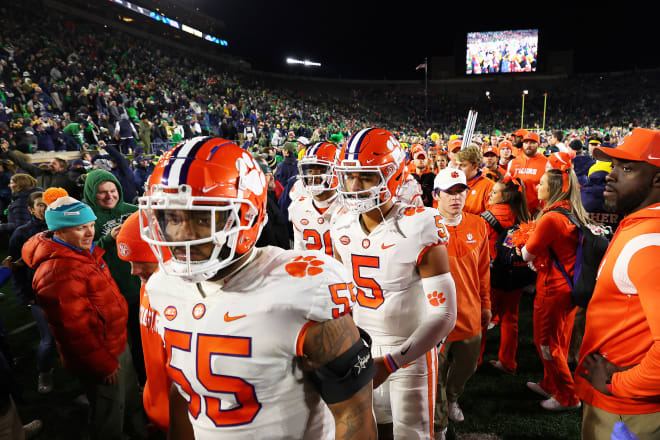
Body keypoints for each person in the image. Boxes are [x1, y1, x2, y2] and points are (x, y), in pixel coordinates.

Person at [140, 138, 377, 439]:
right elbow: (184, 392)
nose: (183, 234)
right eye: (172, 217)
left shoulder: (303, 288)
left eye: (203, 217)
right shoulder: (162, 287)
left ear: (247, 216)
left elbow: (353, 414)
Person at [333, 128, 457, 440]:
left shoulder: (419, 225)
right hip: (361, 347)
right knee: (371, 429)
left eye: (366, 177)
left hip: (409, 351)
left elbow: (444, 315)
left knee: (413, 434)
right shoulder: (341, 224)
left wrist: (391, 362)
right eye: (350, 177)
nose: (355, 186)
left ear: (393, 176)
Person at [21, 188, 145, 440]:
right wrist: (102, 364)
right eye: (80, 227)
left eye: (90, 225)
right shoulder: (58, 271)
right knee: (109, 411)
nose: (90, 232)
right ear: (59, 231)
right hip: (102, 355)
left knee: (128, 399)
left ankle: (138, 430)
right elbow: (74, 330)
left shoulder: (81, 252)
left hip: (114, 342)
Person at [575, 128, 660, 440]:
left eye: (626, 168)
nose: (610, 176)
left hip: (629, 407)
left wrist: (617, 385)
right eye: (613, 166)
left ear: (657, 180)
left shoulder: (650, 242)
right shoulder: (641, 226)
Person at [519, 165, 592, 411]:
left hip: (553, 290)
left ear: (555, 189)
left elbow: (526, 253)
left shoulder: (550, 217)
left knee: (547, 345)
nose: (537, 187)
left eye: (541, 183)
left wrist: (524, 241)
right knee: (557, 342)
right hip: (567, 289)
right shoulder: (569, 210)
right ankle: (550, 384)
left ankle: (569, 397)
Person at [431, 168, 491, 438]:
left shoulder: (478, 224)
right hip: (434, 315)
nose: (456, 197)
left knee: (468, 365)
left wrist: (486, 303)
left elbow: (483, 269)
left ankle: (453, 397)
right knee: (436, 374)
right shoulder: (424, 224)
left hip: (469, 311)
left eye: (461, 191)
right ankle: (439, 425)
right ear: (435, 195)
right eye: (449, 192)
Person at [83, 169, 144, 384]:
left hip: (140, 286)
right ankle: (123, 383)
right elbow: (83, 254)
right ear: (91, 193)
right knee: (117, 342)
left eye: (113, 190)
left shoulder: (134, 210)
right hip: (108, 293)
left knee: (142, 339)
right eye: (102, 192)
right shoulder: (86, 218)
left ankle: (145, 380)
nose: (110, 196)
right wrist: (108, 239)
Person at [116, 211, 172, 435]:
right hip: (158, 401)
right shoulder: (148, 285)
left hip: (183, 416)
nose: (133, 271)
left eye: (141, 261)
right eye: (130, 262)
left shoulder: (190, 299)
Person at [3, 191, 57, 394]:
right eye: (40, 205)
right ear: (30, 209)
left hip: (64, 291)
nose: (44, 208)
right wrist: (24, 295)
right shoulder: (21, 233)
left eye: (47, 204)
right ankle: (44, 372)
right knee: (48, 339)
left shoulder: (60, 226)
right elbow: (15, 268)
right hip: (38, 295)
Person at [482, 177, 530, 374]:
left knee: (483, 319)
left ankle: (474, 360)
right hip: (517, 273)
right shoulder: (524, 215)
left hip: (493, 275)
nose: (491, 195)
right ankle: (508, 362)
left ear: (506, 195)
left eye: (494, 192)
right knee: (511, 318)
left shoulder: (486, 217)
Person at [289, 142, 344, 255]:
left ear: (337, 171)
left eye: (321, 170)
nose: (312, 176)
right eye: (309, 170)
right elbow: (299, 252)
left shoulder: (349, 208)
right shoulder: (297, 207)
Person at [507, 132, 548, 216]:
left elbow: (550, 189)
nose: (528, 145)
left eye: (532, 143)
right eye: (526, 142)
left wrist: (544, 208)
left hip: (536, 211)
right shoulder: (513, 162)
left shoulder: (546, 163)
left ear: (538, 145)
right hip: (515, 210)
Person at [455, 145, 494, 215]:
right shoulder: (452, 183)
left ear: (475, 166)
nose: (457, 169)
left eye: (462, 165)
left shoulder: (489, 187)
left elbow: (492, 217)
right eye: (457, 165)